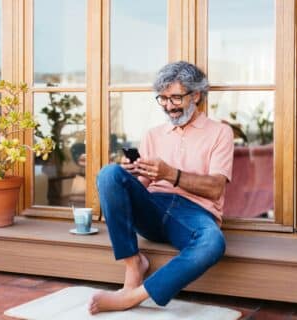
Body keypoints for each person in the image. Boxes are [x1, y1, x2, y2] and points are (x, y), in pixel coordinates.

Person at [90, 61, 234, 314]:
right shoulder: (153, 134)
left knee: (213, 242)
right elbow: (144, 184)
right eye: (163, 98)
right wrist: (132, 174)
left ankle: (133, 297)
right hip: (154, 208)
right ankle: (134, 264)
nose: (169, 106)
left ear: (196, 95)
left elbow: (215, 189)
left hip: (195, 214)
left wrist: (170, 174)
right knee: (109, 173)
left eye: (175, 98)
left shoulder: (220, 133)